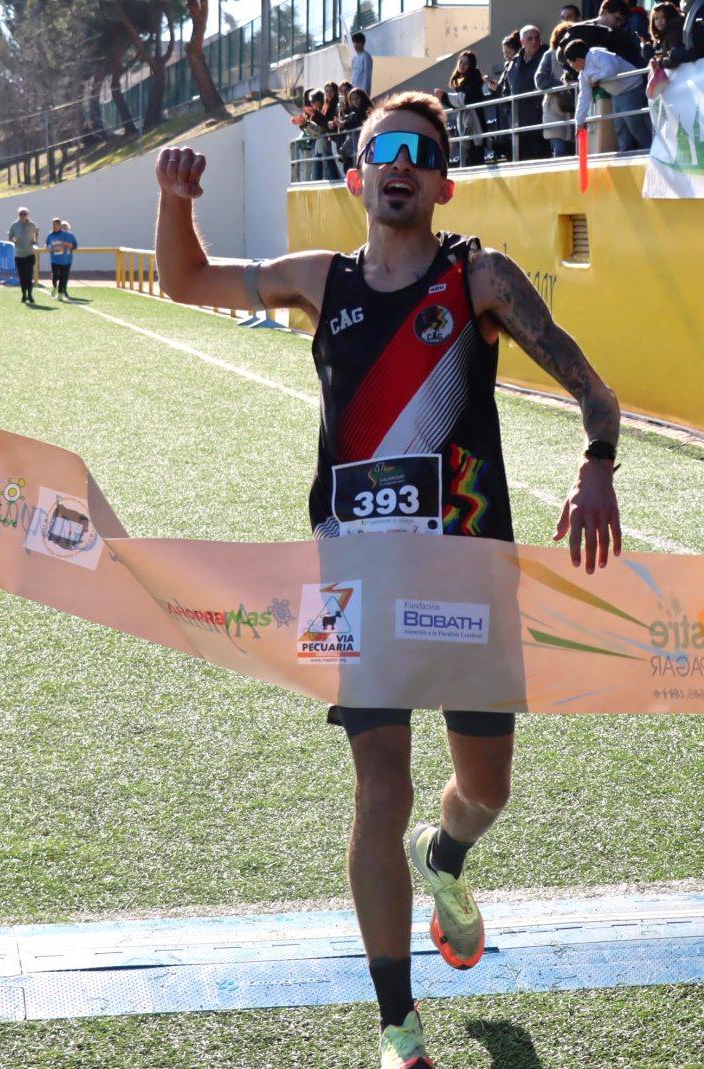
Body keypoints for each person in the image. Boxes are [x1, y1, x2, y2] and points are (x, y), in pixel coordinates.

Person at [153, 91, 622, 1069]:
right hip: (357, 577)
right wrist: (173, 200)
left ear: (444, 183)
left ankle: (446, 857)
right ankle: (397, 1026)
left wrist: (596, 467)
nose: (402, 161)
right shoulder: (317, 280)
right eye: (384, 149)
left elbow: (594, 388)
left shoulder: (479, 277)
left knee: (484, 789)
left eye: (422, 151)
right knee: (380, 790)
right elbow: (186, 280)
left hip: (467, 574)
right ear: (357, 174)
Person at [564, 40, 652, 153]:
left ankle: (650, 150)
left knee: (635, 125)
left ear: (578, 59)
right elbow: (584, 97)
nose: (571, 66)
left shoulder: (597, 55)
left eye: (571, 62)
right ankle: (625, 154)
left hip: (631, 87)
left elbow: (611, 70)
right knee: (620, 127)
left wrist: (596, 79)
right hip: (616, 93)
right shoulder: (583, 74)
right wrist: (579, 121)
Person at [506, 25, 550, 160]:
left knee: (541, 160)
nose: (534, 41)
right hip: (519, 124)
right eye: (530, 39)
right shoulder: (514, 63)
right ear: (522, 42)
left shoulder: (547, 58)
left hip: (540, 121)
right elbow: (506, 91)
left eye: (537, 38)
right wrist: (508, 112)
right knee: (523, 162)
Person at [537, 22, 578, 158]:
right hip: (554, 111)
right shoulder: (550, 55)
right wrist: (563, 84)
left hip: (576, 107)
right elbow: (540, 80)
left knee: (578, 150)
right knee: (560, 150)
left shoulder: (579, 53)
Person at [447, 51, 489, 167]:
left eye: (466, 63)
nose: (462, 65)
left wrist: (445, 97)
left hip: (475, 123)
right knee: (468, 157)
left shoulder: (474, 79)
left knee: (475, 158)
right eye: (461, 62)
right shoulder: (459, 80)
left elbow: (464, 99)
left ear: (471, 66)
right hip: (465, 124)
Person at [8, 206, 40, 303]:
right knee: (22, 277)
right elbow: (10, 236)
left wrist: (35, 240)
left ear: (28, 215)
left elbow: (37, 232)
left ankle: (30, 295)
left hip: (29, 254)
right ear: (18, 215)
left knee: (29, 276)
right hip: (19, 255)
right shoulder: (14, 225)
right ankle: (24, 295)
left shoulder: (32, 225)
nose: (23, 216)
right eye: (21, 214)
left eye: (24, 214)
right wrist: (14, 241)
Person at [45, 216, 77, 299]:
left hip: (65, 260)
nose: (54, 226)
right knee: (55, 276)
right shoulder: (50, 235)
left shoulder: (67, 235)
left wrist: (66, 244)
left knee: (63, 278)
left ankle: (60, 293)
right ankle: (55, 287)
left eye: (56, 224)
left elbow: (74, 246)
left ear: (59, 225)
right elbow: (47, 246)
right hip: (54, 260)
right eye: (53, 224)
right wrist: (50, 248)